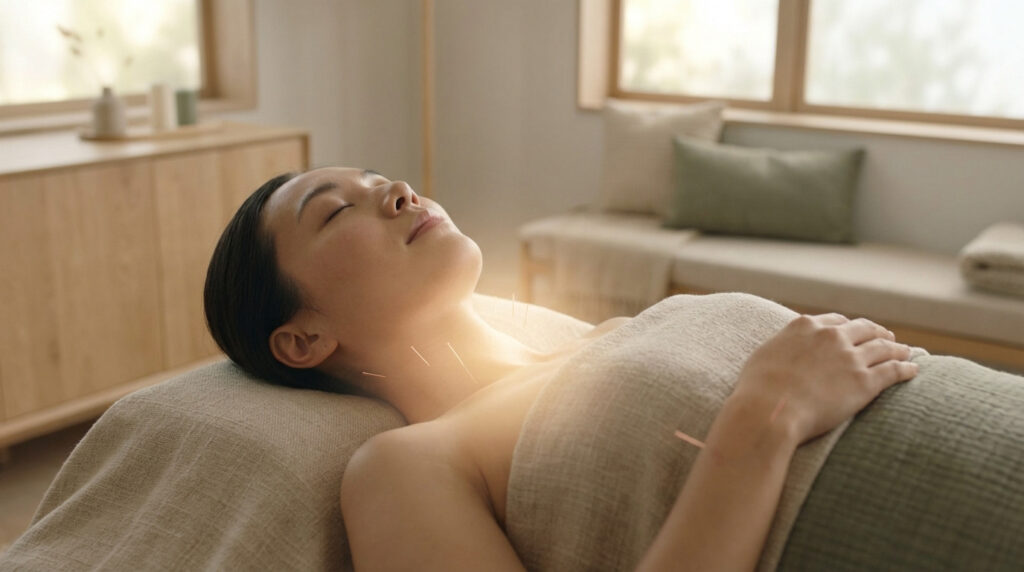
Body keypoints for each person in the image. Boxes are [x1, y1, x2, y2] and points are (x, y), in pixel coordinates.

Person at [204, 167, 918, 570]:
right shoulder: (406, 465)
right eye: (334, 212)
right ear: (301, 339)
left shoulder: (610, 335)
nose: (397, 192)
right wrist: (766, 418)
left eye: (380, 178)